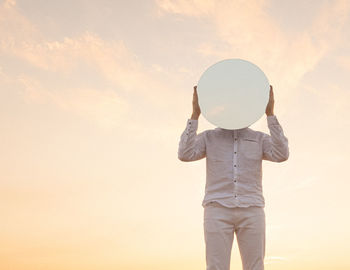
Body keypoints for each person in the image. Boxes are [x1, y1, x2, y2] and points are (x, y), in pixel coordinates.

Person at [177, 85, 289, 270]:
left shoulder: (259, 138)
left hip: (252, 209)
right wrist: (195, 114)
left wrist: (270, 114)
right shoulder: (209, 137)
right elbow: (185, 154)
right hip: (217, 209)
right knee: (216, 266)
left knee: (255, 266)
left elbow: (281, 154)